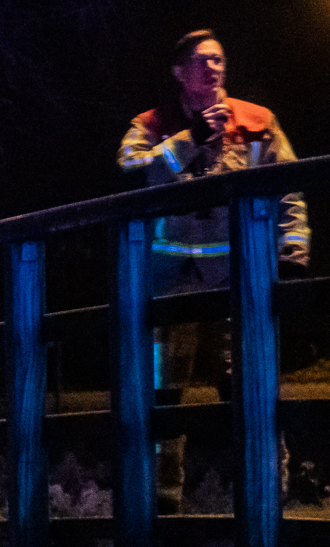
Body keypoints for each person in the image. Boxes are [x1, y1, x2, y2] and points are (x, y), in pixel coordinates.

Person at [119, 29, 309, 512]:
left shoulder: (257, 120)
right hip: (171, 282)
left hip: (238, 277)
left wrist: (293, 247)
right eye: (202, 61)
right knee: (165, 395)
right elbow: (131, 173)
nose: (214, 68)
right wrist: (189, 141)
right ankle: (162, 504)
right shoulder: (153, 123)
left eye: (219, 60)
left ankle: (268, 494)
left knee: (250, 387)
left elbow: (289, 185)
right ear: (179, 71)